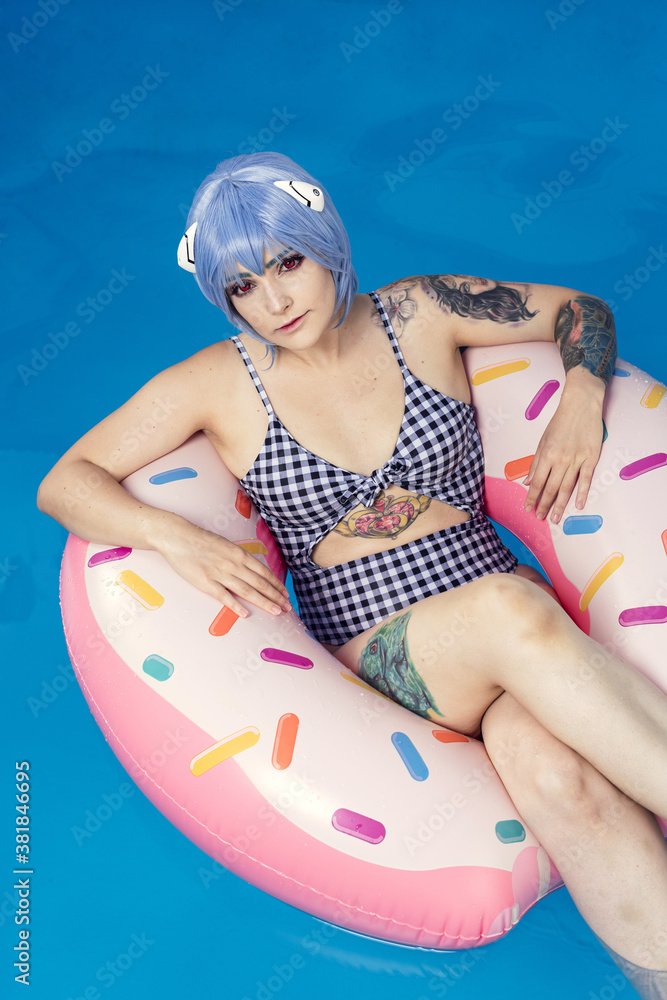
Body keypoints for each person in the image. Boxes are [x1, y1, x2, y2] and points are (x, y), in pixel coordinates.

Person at [37, 152, 667, 997]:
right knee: (509, 612)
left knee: (550, 768)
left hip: (510, 625)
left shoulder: (422, 311)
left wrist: (580, 402)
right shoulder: (216, 384)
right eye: (244, 287)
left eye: (287, 263)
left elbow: (578, 308)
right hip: (389, 654)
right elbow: (65, 482)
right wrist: (175, 539)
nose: (277, 301)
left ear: (324, 240)